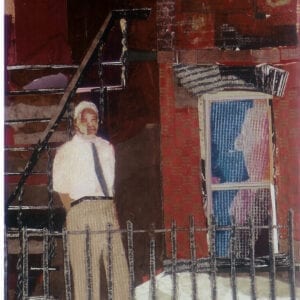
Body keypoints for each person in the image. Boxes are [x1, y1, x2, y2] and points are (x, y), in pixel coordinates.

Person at [52, 100, 129, 299]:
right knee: (86, 277)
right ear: (76, 123)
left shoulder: (107, 148)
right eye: (85, 120)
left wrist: (111, 210)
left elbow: (111, 184)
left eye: (94, 120)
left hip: (106, 209)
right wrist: (77, 214)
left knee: (119, 272)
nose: (90, 124)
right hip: (81, 210)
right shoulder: (65, 152)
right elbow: (62, 190)